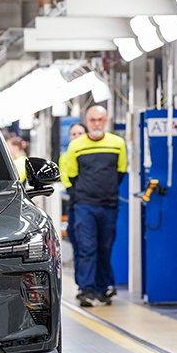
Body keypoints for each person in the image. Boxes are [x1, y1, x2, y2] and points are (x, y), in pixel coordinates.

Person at [64, 105, 127, 307]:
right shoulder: (76, 146)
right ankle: (86, 289)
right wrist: (83, 194)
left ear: (106, 121)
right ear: (87, 121)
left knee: (105, 247)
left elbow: (120, 172)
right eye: (93, 120)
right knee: (87, 247)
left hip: (109, 205)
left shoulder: (117, 144)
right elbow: (71, 175)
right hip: (85, 205)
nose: (97, 124)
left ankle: (102, 288)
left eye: (100, 120)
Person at [58, 122, 88, 282]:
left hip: (91, 204)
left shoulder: (91, 155)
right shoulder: (65, 157)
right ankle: (81, 281)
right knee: (78, 243)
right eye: (73, 134)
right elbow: (67, 182)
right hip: (76, 204)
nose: (76, 137)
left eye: (80, 134)